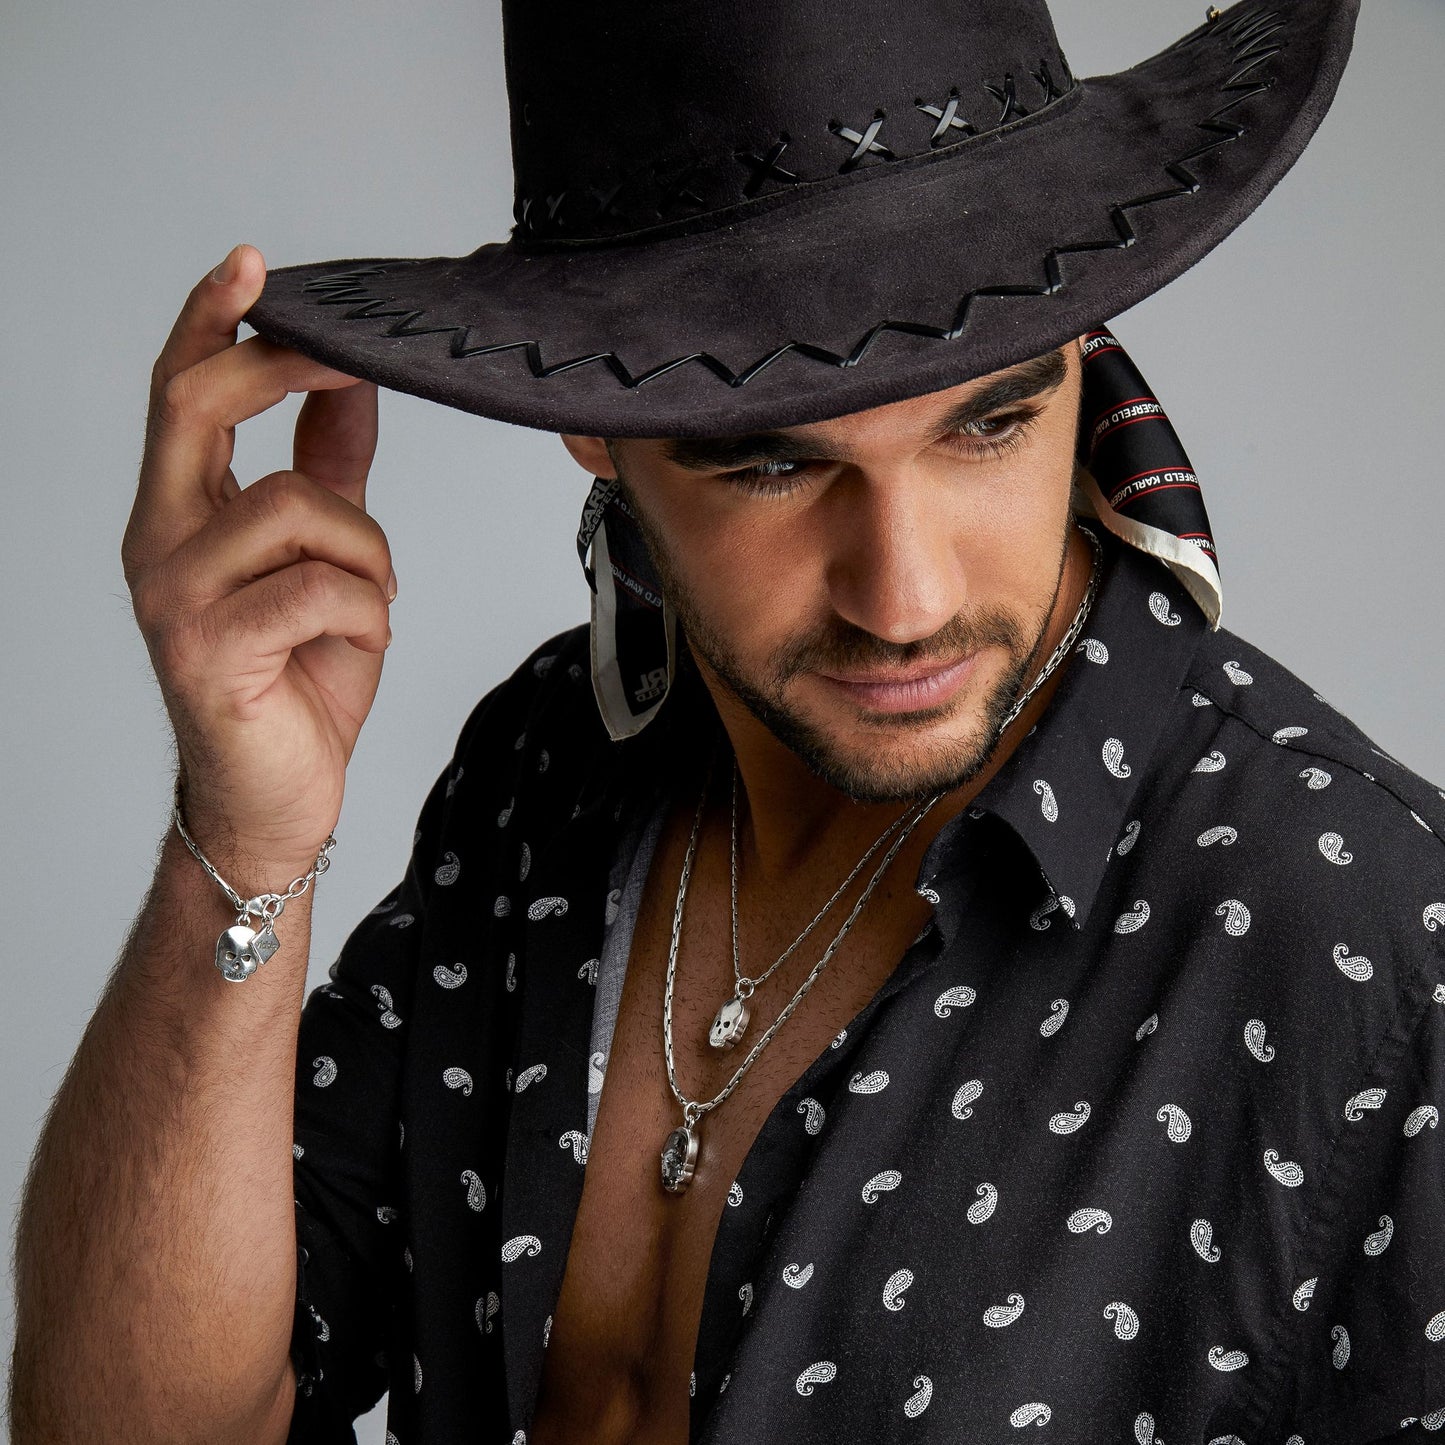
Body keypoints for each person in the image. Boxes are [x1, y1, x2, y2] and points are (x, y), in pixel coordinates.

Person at [11, 0, 1444, 1443]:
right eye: (774, 466)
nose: (905, 597)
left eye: (988, 426)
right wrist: (242, 836)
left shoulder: (1357, 929)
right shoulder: (547, 771)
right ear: (592, 422)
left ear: (1083, 340)